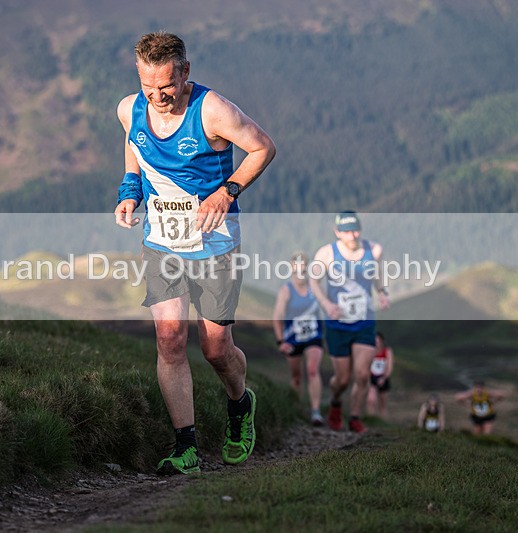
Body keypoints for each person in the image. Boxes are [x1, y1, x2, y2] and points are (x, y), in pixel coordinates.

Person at [114, 32, 276, 475]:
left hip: (215, 242)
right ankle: (185, 447)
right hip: (161, 241)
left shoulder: (212, 110)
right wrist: (130, 191)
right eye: (149, 87)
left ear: (185, 73)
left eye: (166, 86)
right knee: (169, 339)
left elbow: (263, 147)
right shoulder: (131, 108)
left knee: (215, 348)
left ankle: (241, 406)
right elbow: (134, 144)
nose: (158, 96)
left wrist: (228, 192)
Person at [309, 211, 390, 434]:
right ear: (337, 232)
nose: (352, 235)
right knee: (342, 379)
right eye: (346, 231)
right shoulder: (326, 254)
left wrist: (382, 292)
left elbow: (377, 275)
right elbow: (314, 281)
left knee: (363, 374)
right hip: (337, 324)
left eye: (355, 230)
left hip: (364, 322)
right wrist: (326, 304)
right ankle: (335, 403)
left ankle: (355, 417)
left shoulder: (374, 250)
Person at [273, 251, 325, 426]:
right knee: (296, 376)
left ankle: (316, 411)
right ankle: (295, 410)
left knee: (312, 370)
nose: (301, 273)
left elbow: (326, 306)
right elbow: (277, 317)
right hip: (293, 339)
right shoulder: (286, 290)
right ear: (292, 269)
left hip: (313, 336)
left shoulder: (315, 287)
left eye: (304, 269)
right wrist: (281, 341)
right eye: (297, 270)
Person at [366, 331, 393, 418]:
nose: (376, 344)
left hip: (383, 377)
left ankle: (383, 420)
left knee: (383, 403)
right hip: (371, 377)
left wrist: (384, 378)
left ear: (381, 341)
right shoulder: (370, 351)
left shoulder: (387, 351)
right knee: (371, 400)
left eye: (378, 341)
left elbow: (389, 366)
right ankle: (370, 418)